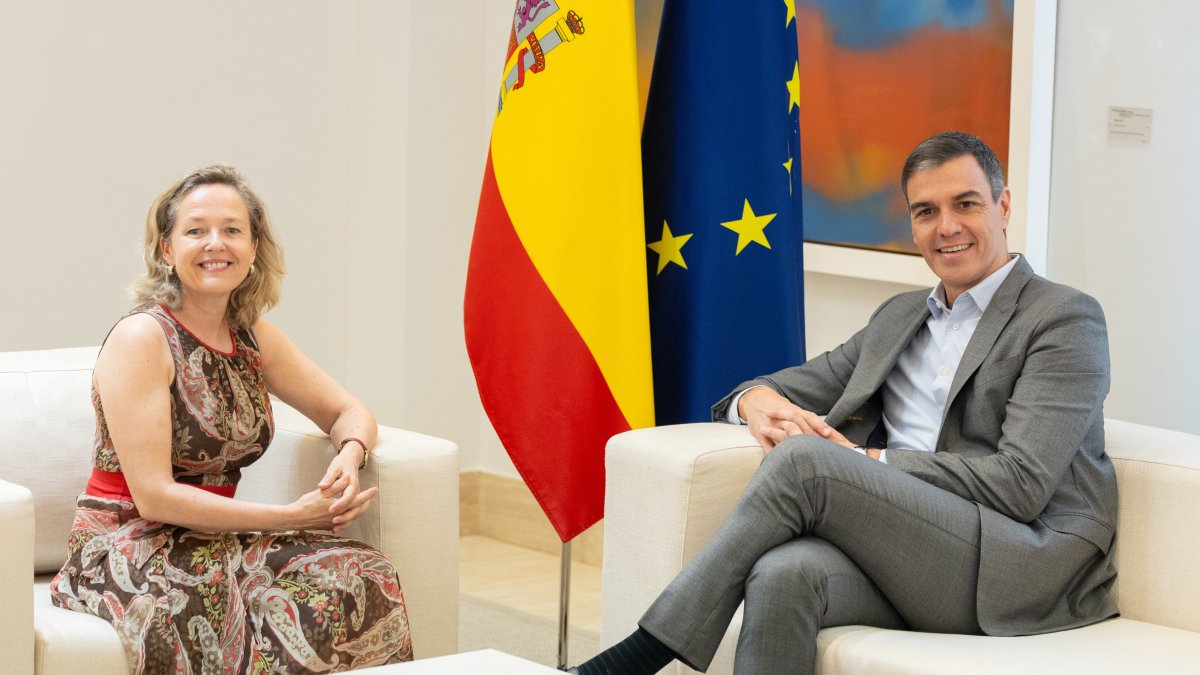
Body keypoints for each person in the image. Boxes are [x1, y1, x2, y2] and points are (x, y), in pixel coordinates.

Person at [574, 132, 1118, 674]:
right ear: (912, 225)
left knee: (806, 463)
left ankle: (635, 658)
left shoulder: (1063, 318)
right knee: (783, 573)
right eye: (926, 211)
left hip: (1016, 563)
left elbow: (1020, 484)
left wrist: (866, 461)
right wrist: (753, 401)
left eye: (966, 204)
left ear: (1003, 206)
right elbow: (787, 385)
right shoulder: (900, 317)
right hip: (914, 553)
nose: (946, 227)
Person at [50, 165, 413, 673]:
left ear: (253, 246)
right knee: (210, 595)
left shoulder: (252, 335)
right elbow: (154, 497)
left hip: (212, 538)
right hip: (128, 542)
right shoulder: (143, 338)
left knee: (362, 569)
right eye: (195, 230)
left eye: (232, 230)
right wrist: (292, 517)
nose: (215, 244)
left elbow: (348, 411)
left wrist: (351, 455)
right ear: (166, 248)